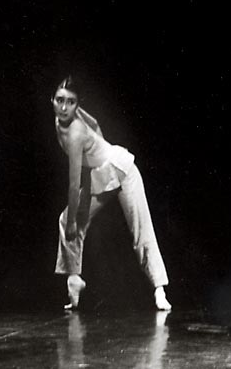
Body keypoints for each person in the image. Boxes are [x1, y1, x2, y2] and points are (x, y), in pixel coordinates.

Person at [52, 76, 172, 311]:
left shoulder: (75, 133)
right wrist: (98, 151)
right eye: (60, 100)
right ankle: (74, 280)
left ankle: (159, 289)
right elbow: (95, 123)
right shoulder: (61, 119)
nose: (64, 107)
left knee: (140, 228)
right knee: (67, 220)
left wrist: (103, 152)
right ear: (52, 100)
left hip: (123, 170)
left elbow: (74, 183)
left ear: (77, 104)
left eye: (70, 102)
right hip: (100, 174)